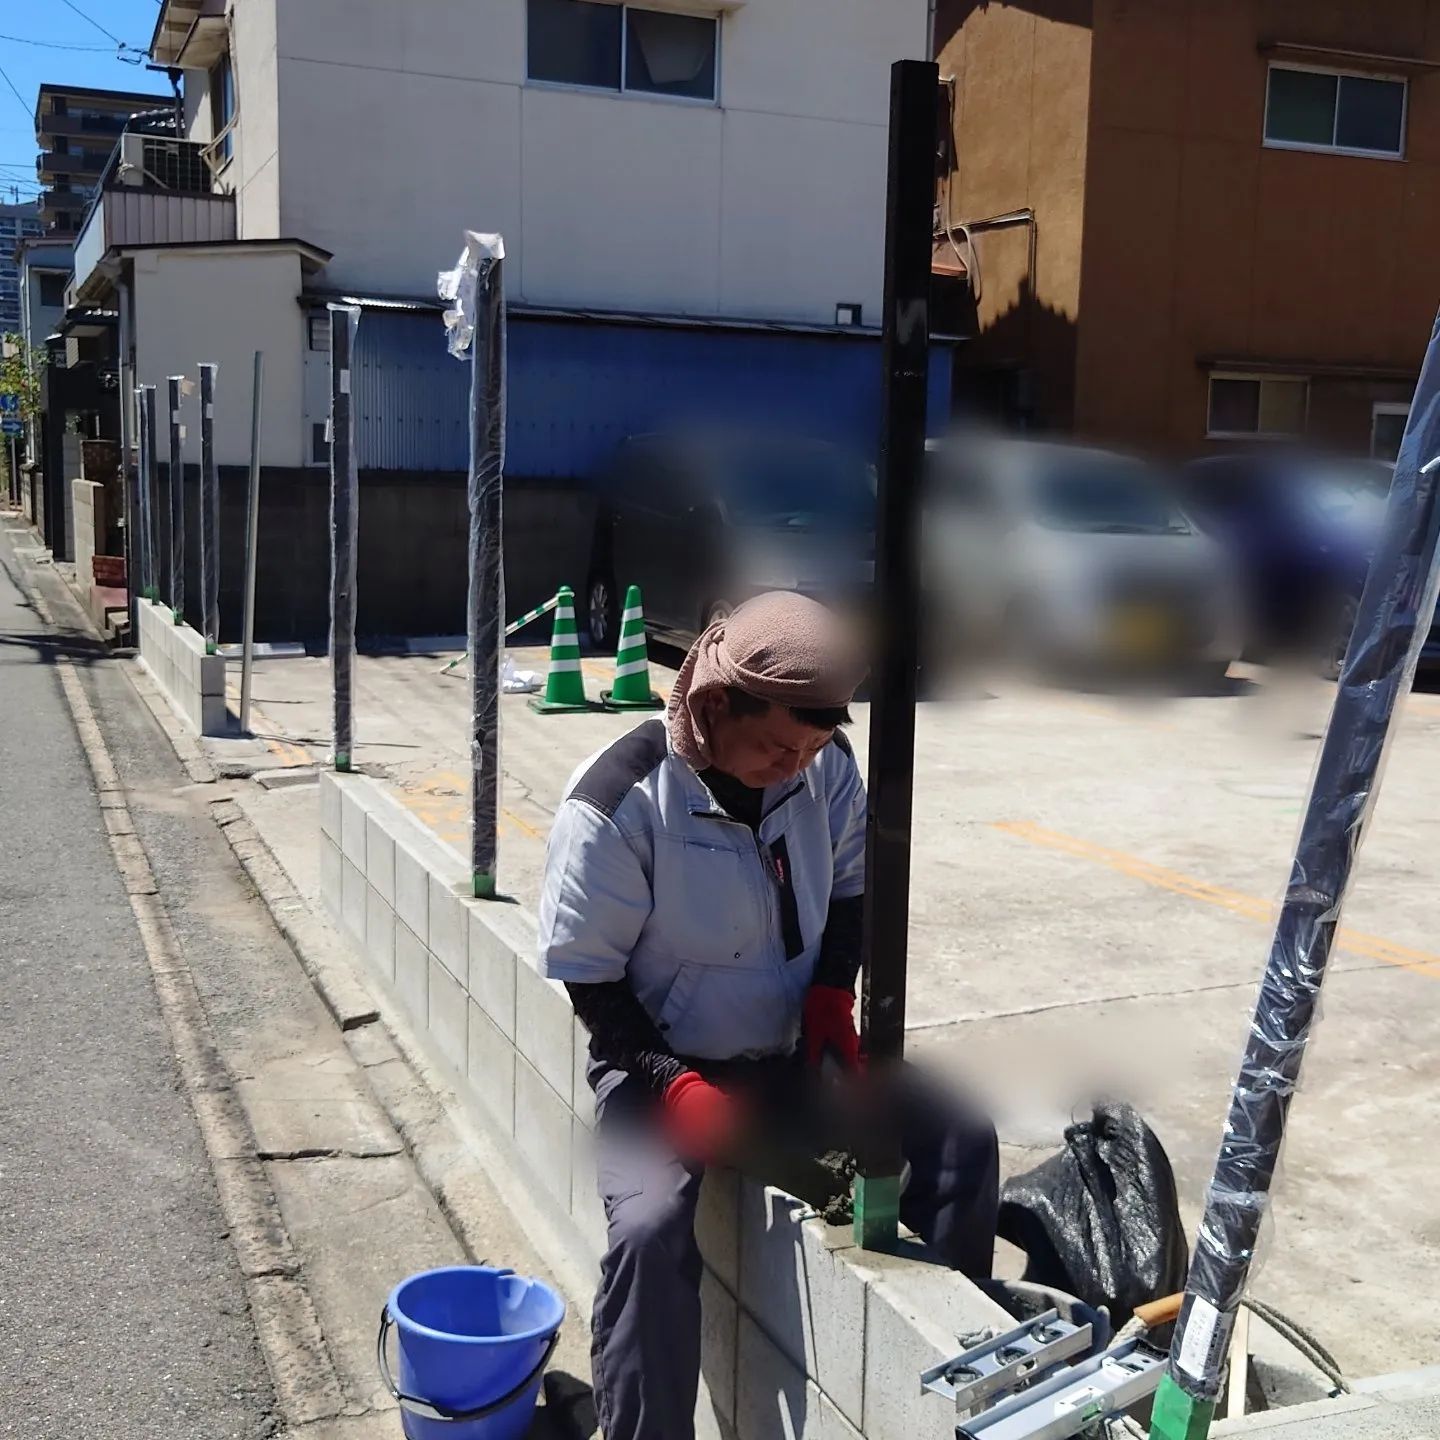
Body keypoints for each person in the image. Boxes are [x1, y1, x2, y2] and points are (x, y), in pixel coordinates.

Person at [539, 591, 998, 1440]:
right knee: (645, 1231)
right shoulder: (621, 802)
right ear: (714, 707)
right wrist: (672, 1083)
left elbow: (854, 884)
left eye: (814, 747)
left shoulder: (821, 765)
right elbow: (592, 982)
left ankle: (953, 1387)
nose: (796, 767)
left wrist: (832, 987)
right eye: (776, 747)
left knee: (955, 1138)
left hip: (786, 1055)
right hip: (658, 1065)